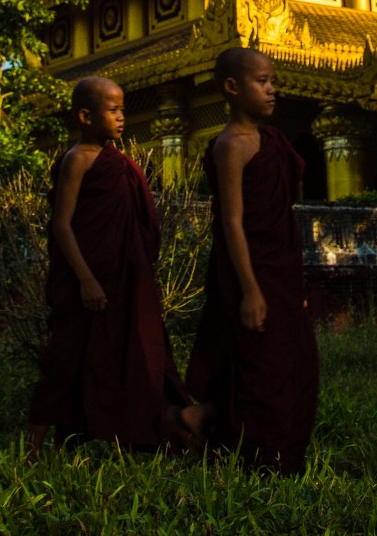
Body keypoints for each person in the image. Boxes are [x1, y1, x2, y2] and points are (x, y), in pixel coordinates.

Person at [26, 76, 191, 457]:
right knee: (66, 361)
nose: (121, 118)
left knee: (132, 356)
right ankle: (33, 450)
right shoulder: (77, 159)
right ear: (85, 116)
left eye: (123, 110)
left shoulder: (122, 165)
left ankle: (136, 435)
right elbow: (62, 224)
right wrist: (86, 279)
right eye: (113, 110)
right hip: (86, 278)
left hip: (125, 279)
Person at [184, 47, 319, 473]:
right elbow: (233, 222)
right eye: (262, 81)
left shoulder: (273, 141)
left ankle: (198, 420)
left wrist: (292, 285)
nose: (272, 90)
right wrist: (249, 290)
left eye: (272, 81)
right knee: (262, 368)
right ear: (232, 88)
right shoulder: (231, 146)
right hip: (250, 270)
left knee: (293, 362)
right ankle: (262, 460)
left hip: (281, 267)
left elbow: (282, 211)